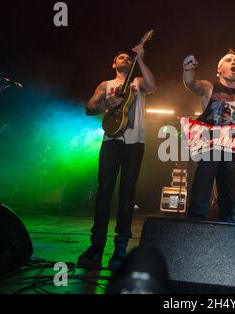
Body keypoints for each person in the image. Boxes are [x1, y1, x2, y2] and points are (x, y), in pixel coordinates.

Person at [77, 44, 156, 270]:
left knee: (127, 192)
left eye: (127, 57)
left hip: (134, 142)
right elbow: (88, 107)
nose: (125, 59)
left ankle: (120, 247)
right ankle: (97, 246)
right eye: (120, 57)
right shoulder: (106, 85)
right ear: (114, 64)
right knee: (104, 191)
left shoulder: (137, 82)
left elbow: (153, 86)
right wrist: (105, 104)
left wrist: (140, 59)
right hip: (111, 141)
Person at [182, 50, 235, 223]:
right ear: (219, 68)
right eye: (229, 60)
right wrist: (187, 69)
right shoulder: (209, 88)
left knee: (229, 199)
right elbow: (191, 83)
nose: (234, 63)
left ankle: (227, 231)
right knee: (201, 193)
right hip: (209, 146)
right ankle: (195, 228)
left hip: (231, 149)